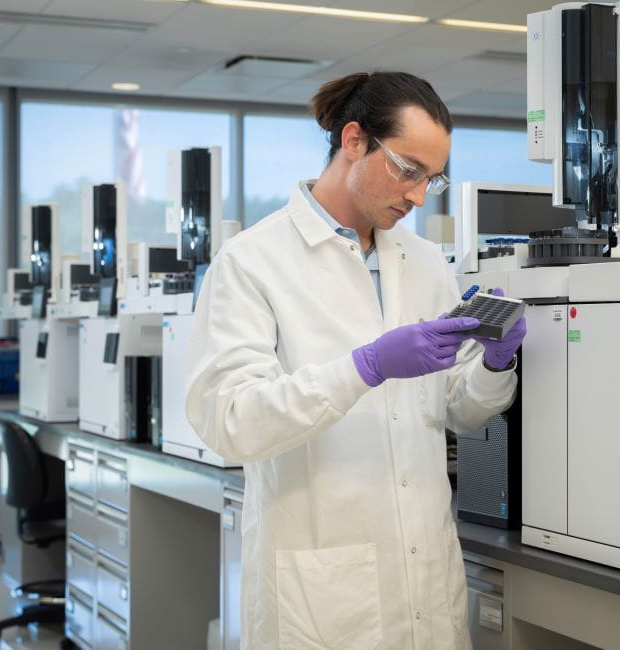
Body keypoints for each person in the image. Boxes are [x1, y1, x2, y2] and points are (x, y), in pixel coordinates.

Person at [185, 71, 527, 649]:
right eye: (408, 169)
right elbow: (230, 421)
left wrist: (492, 368)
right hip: (323, 594)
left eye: (433, 179)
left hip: (425, 581)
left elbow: (454, 411)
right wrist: (363, 367)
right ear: (353, 142)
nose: (418, 194)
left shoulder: (423, 261)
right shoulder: (252, 262)